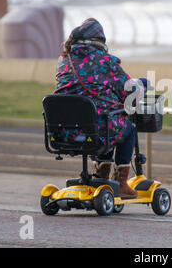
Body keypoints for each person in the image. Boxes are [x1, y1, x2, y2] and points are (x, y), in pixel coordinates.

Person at [54, 18, 138, 199]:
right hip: (96, 131)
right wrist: (143, 85)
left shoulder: (64, 60)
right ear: (100, 40)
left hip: (65, 133)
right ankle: (121, 183)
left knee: (103, 121)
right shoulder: (106, 61)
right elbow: (129, 91)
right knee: (126, 129)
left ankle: (102, 176)